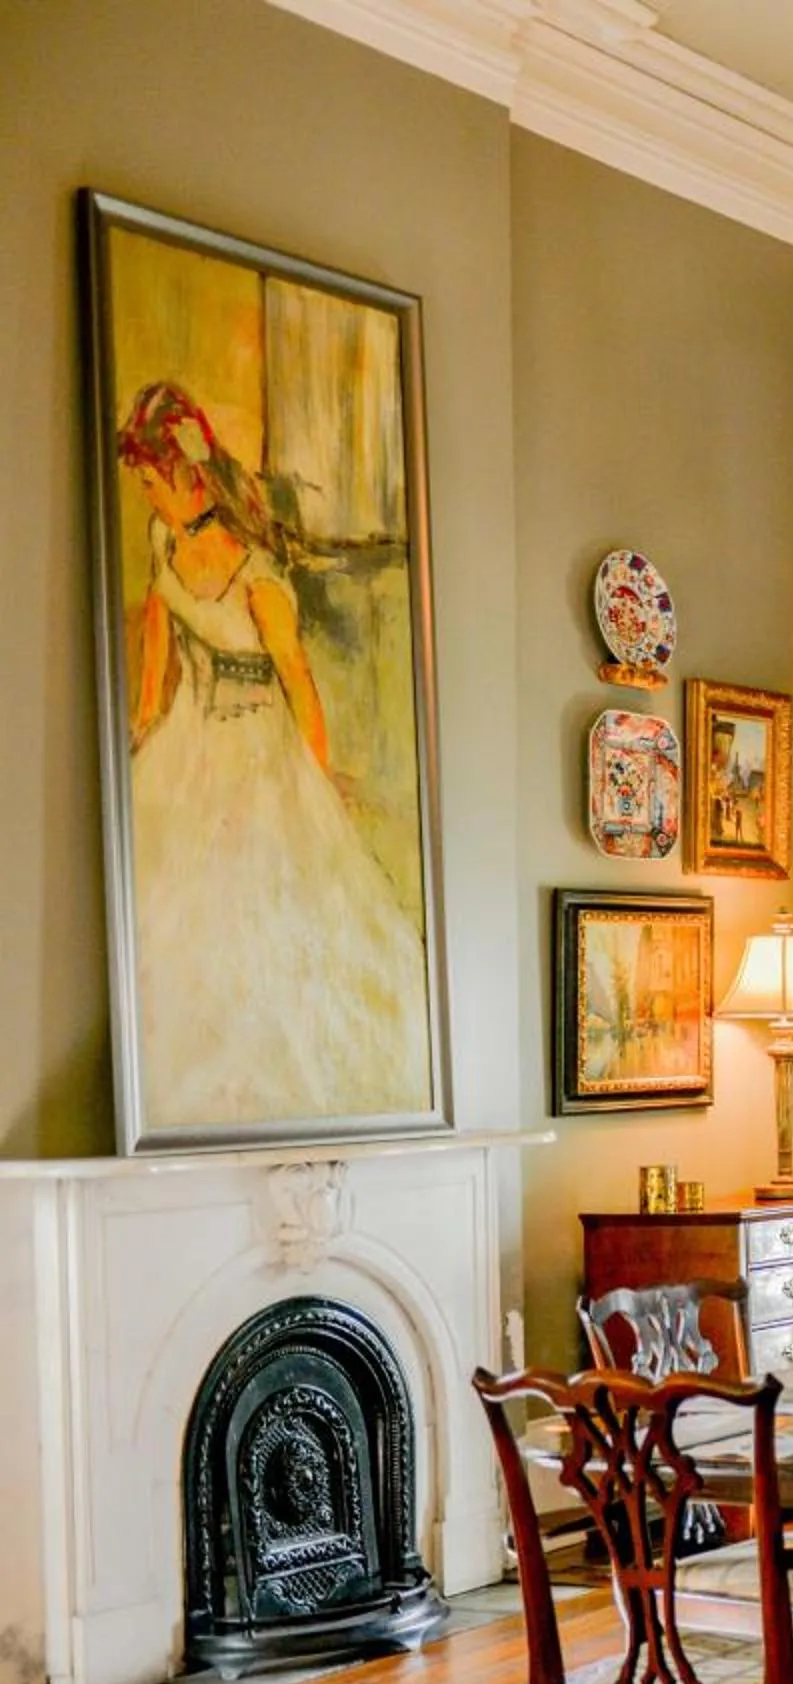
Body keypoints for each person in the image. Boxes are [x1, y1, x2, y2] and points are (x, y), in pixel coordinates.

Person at [115, 380, 431, 1127]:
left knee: (263, 904)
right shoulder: (164, 541)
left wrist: (314, 783)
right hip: (190, 733)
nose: (148, 497)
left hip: (258, 744)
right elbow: (157, 639)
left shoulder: (256, 575)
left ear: (187, 475)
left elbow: (299, 684)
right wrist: (141, 724)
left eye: (153, 482)